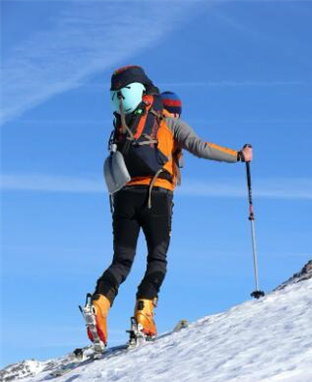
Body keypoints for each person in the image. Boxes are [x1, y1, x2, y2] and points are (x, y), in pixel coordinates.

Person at [86, 66, 252, 347]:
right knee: (157, 260)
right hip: (157, 196)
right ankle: (143, 316)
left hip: (124, 196)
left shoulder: (127, 122)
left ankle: (99, 306)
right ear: (174, 109)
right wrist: (239, 155)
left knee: (122, 261)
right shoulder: (171, 123)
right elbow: (201, 146)